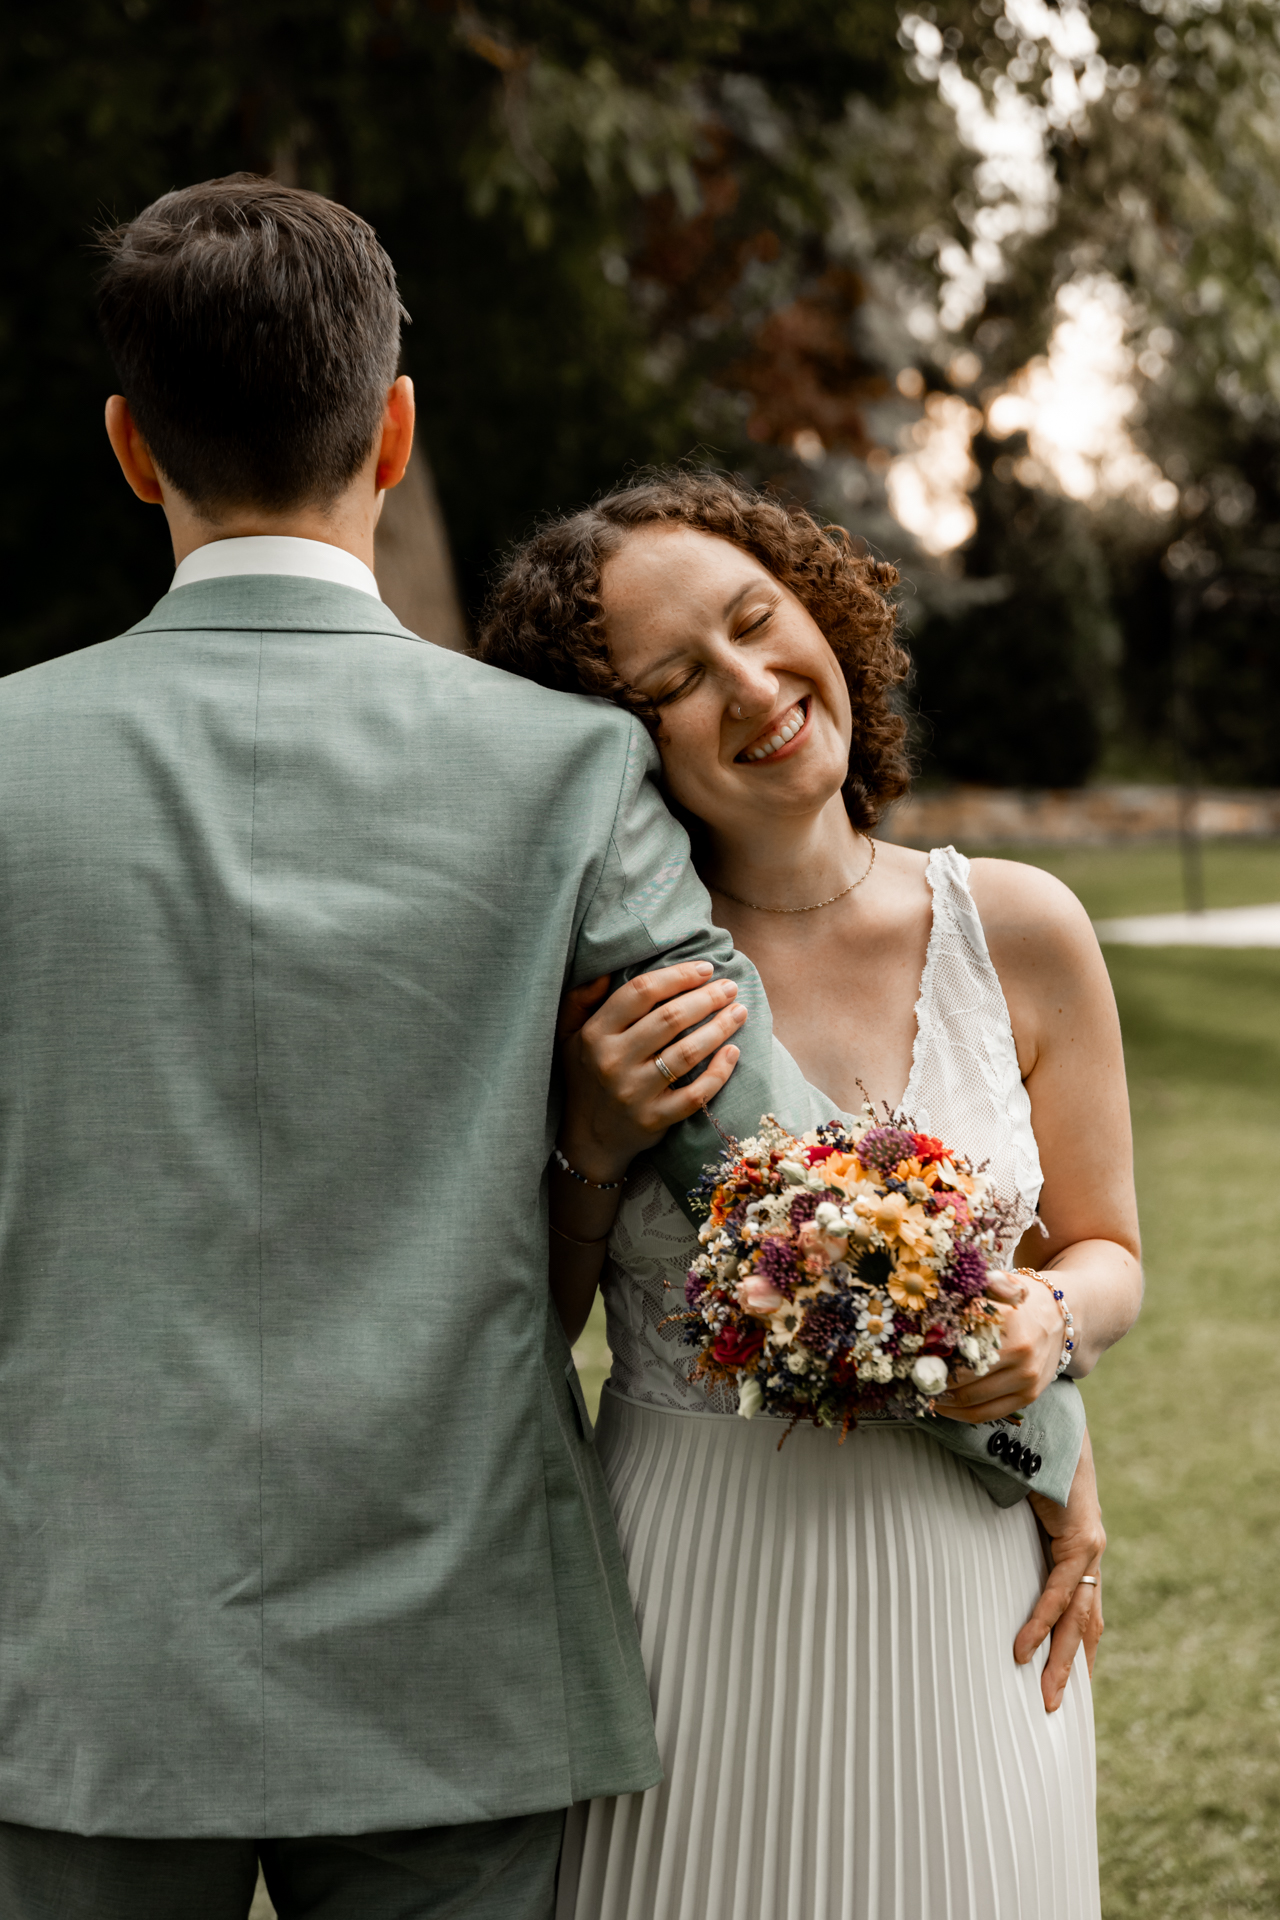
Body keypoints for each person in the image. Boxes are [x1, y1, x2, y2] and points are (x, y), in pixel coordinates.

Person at [0, 179, 835, 1920]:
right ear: (393, 431)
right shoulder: (566, 770)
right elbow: (787, 1184)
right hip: (452, 1644)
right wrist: (1027, 1415)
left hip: (67, 1646)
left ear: (132, 449)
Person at [479, 471, 1144, 1920]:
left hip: (967, 1591)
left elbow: (1108, 1249)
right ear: (612, 742)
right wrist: (592, 1137)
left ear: (821, 608)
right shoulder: (591, 981)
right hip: (685, 1587)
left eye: (754, 620)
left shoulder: (1022, 927)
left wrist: (1050, 1320)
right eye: (672, 683)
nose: (749, 686)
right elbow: (520, 1327)